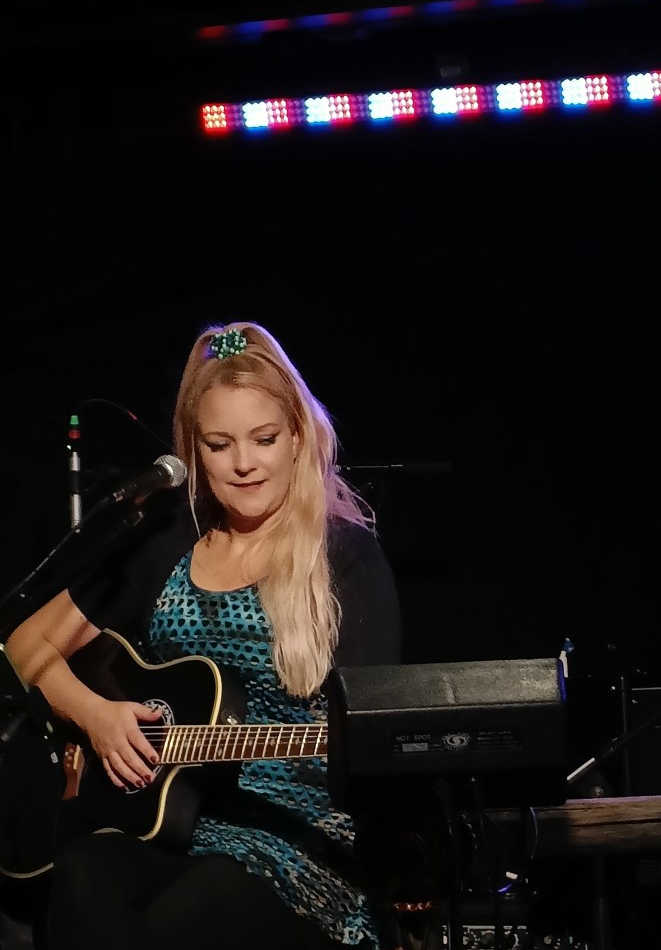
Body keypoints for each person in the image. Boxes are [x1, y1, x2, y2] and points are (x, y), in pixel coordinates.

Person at [2, 321, 403, 950]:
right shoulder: (167, 541)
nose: (243, 464)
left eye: (264, 439)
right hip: (171, 824)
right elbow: (25, 646)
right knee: (82, 875)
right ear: (192, 449)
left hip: (297, 841)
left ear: (298, 437)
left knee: (182, 918)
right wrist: (97, 716)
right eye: (219, 445)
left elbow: (381, 740)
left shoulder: (344, 557)